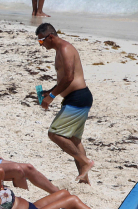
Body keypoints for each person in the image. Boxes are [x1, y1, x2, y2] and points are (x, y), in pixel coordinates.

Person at [35, 23, 94, 184]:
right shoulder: (59, 50)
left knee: (54, 133)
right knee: (74, 139)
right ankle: (84, 180)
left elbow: (69, 77)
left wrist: (52, 96)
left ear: (50, 37)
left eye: (41, 41)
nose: (41, 45)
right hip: (75, 98)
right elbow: (63, 80)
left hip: (78, 97)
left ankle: (85, 161)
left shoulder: (66, 49)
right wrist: (49, 91)